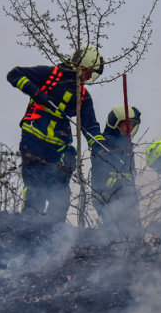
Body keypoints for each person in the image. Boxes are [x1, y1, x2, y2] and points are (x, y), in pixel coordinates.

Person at [7, 45, 106, 222]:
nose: (90, 77)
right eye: (89, 71)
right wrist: (36, 93)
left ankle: (53, 235)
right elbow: (14, 75)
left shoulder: (83, 96)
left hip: (60, 148)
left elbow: (90, 126)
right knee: (36, 189)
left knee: (60, 195)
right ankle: (26, 230)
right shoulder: (50, 74)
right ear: (80, 65)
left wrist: (100, 147)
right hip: (34, 140)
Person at [91, 105, 142, 236]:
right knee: (114, 232)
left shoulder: (127, 145)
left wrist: (132, 191)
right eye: (128, 123)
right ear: (116, 122)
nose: (131, 127)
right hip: (108, 196)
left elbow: (129, 173)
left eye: (133, 124)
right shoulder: (105, 142)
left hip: (123, 197)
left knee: (131, 233)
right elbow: (101, 170)